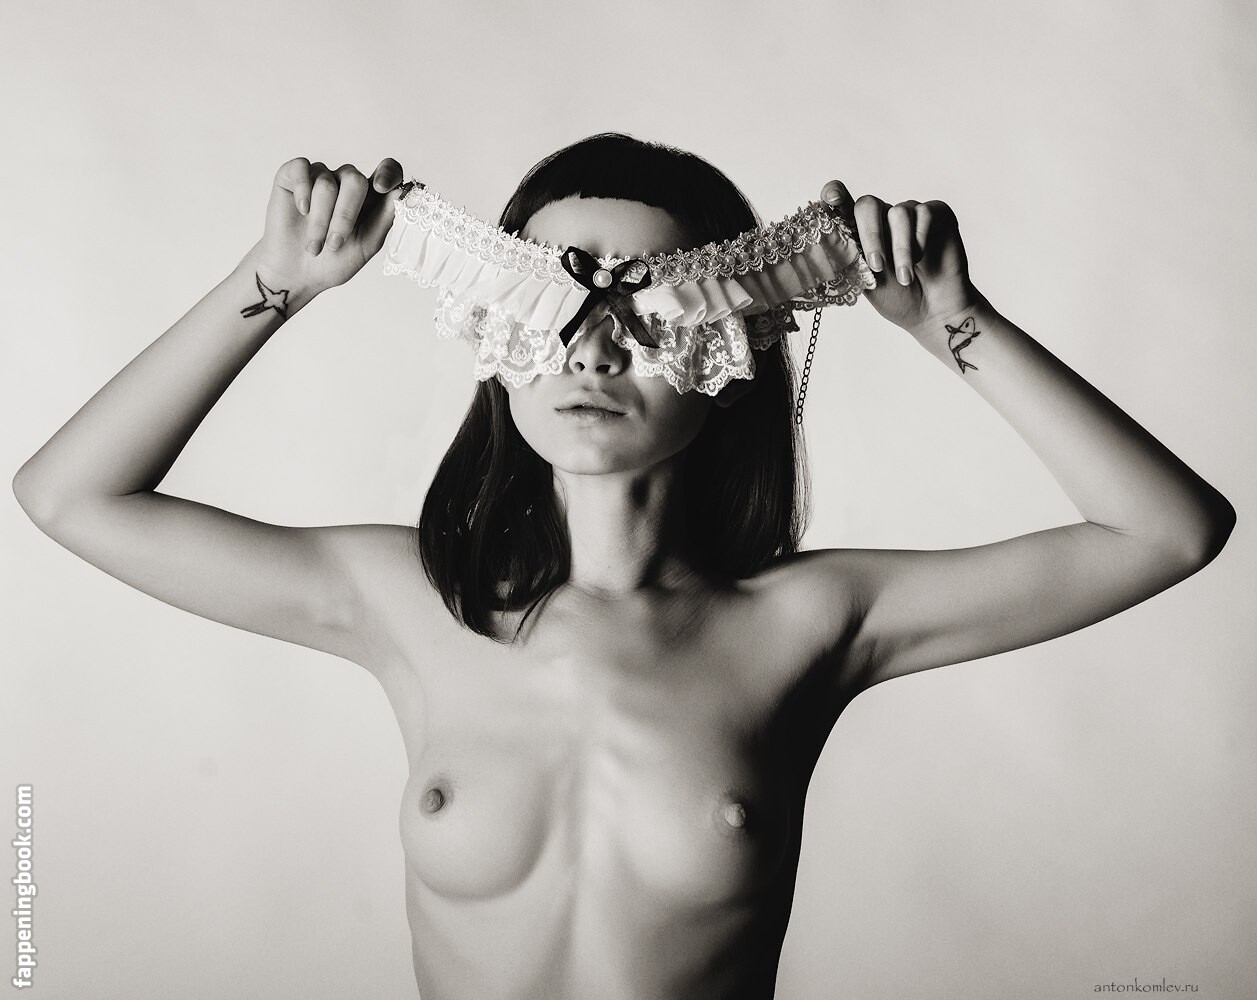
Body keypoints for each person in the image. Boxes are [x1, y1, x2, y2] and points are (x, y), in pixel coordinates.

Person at [12, 133, 1235, 1000]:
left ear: (737, 351)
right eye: (547, 304)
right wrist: (274, 283)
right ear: (490, 337)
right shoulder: (404, 604)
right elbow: (69, 495)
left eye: (648, 312)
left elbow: (1168, 532)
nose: (592, 350)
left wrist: (952, 322)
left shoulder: (811, 619)